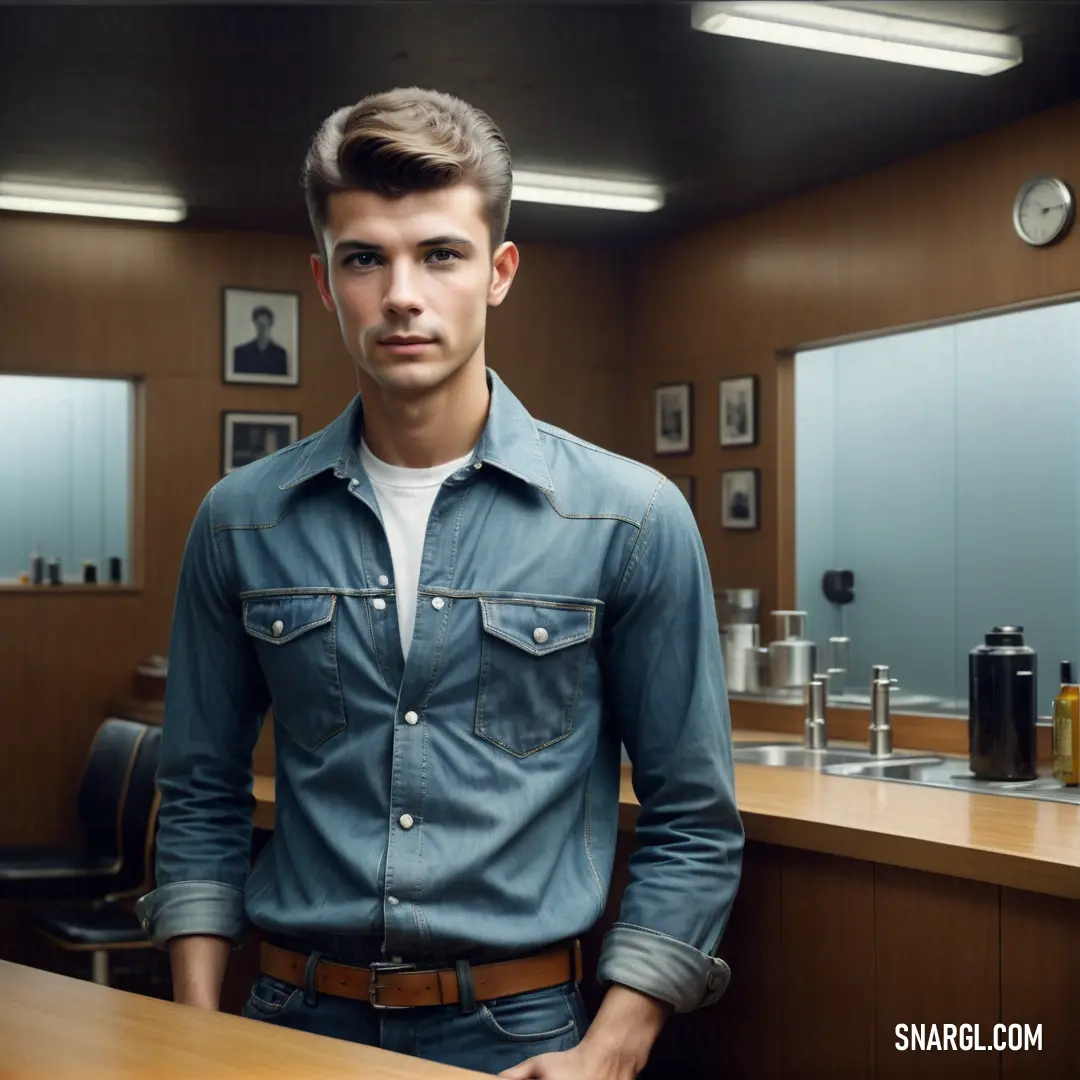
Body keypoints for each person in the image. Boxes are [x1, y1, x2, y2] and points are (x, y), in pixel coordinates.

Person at [137, 86, 744, 1079]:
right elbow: (200, 791)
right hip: (285, 1019)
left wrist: (613, 1049)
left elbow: (693, 817)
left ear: (499, 272)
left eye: (441, 254)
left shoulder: (628, 518)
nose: (402, 294)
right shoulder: (241, 518)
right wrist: (195, 1027)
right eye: (365, 258)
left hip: (521, 1035)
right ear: (326, 284)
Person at [232, 305, 289, 375]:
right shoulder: (241, 352)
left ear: (271, 324)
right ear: (255, 324)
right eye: (260, 325)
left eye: (265, 325)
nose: (262, 329)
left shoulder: (280, 354)